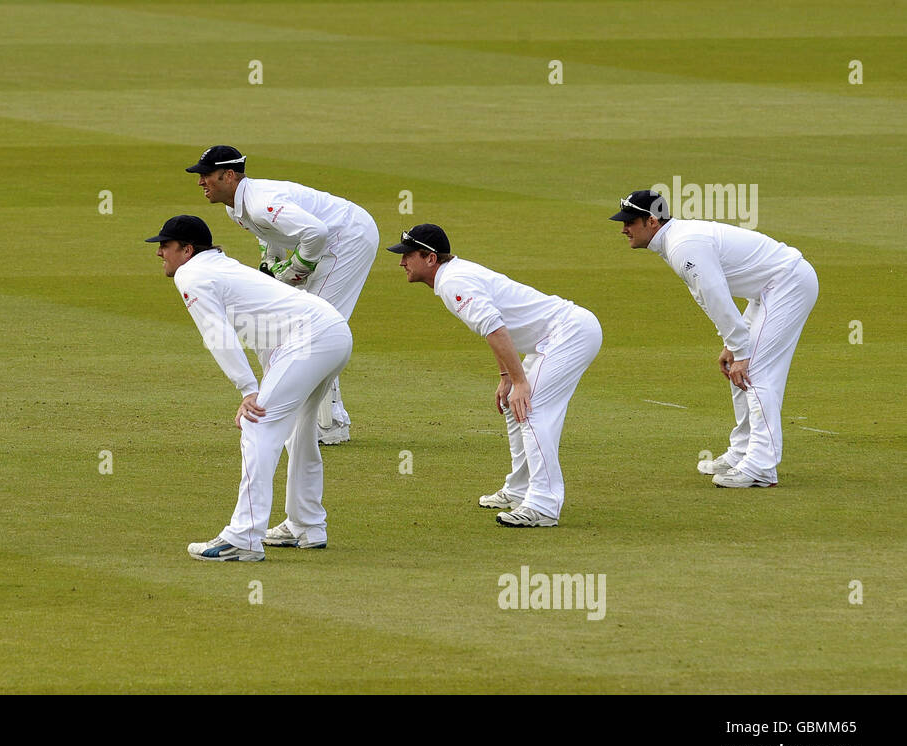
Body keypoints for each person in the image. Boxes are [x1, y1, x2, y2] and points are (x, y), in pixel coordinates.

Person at [148, 215, 353, 559]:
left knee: (255, 424)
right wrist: (263, 382)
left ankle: (243, 538)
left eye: (165, 246)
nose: (159, 254)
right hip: (332, 331)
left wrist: (248, 390)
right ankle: (307, 525)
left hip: (311, 338)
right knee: (299, 432)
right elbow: (263, 331)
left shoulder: (192, 273)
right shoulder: (221, 266)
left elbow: (218, 334)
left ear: (186, 250)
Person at [393, 224, 602, 527]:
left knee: (530, 409)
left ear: (430, 258)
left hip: (568, 334)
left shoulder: (454, 282)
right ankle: (519, 490)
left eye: (407, 255)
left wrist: (519, 382)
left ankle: (543, 504)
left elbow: (495, 328)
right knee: (513, 406)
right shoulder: (452, 276)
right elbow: (494, 325)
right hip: (555, 336)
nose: (401, 263)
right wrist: (507, 377)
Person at [611, 190, 819, 488]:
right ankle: (743, 451)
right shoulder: (676, 241)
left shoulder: (683, 245)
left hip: (787, 283)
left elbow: (717, 296)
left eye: (630, 221)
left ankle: (761, 467)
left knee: (755, 371)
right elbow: (710, 297)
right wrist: (731, 345)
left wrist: (741, 349)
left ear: (652, 221)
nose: (623, 228)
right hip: (767, 289)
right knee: (739, 364)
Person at [185, 145, 378, 447]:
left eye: (206, 175)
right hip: (330, 241)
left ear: (230, 175)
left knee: (318, 330)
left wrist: (297, 269)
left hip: (348, 238)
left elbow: (316, 232)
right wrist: (271, 267)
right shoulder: (235, 207)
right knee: (298, 327)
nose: (200, 182)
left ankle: (330, 426)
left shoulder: (261, 203)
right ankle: (322, 420)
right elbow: (269, 236)